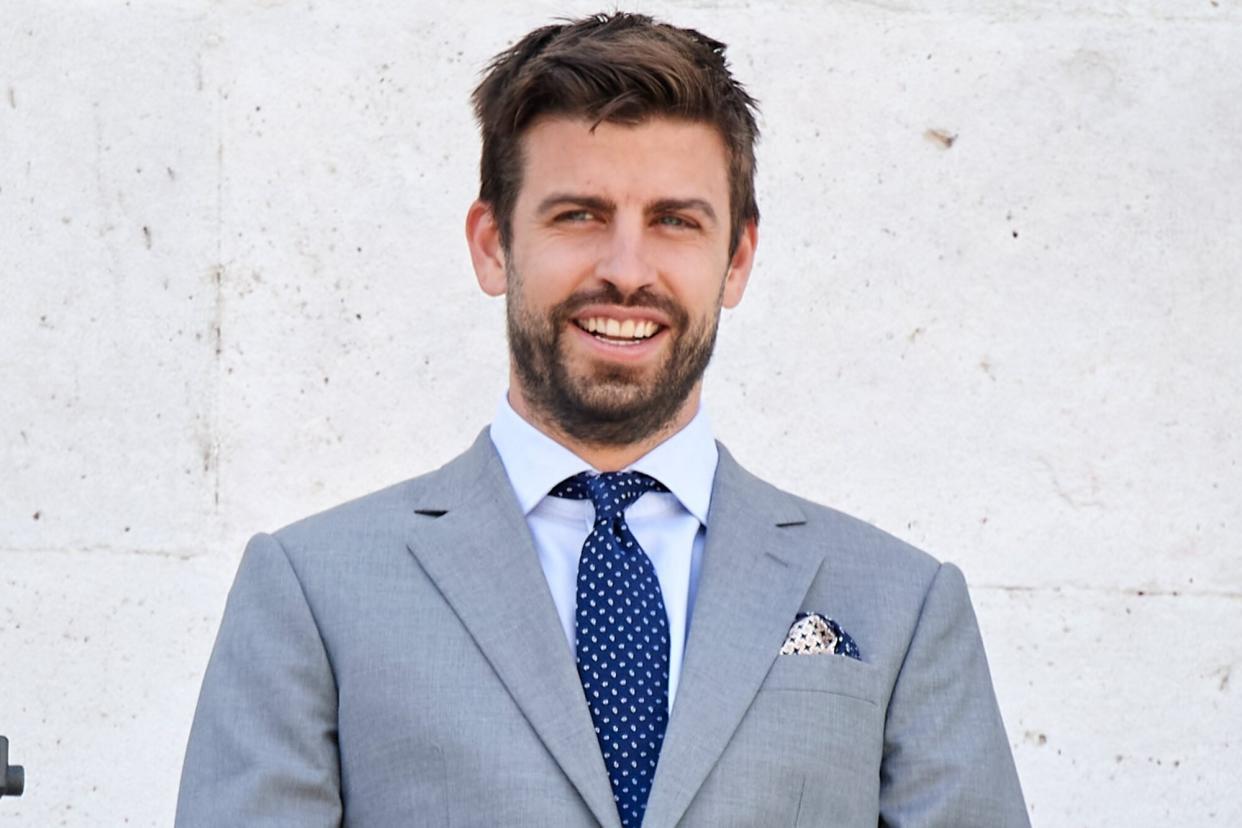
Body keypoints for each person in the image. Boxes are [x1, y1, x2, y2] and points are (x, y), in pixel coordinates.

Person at [176, 12, 1029, 827]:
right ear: (492, 245)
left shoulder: (902, 604)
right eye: (578, 215)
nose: (626, 271)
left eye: (675, 222)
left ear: (737, 259)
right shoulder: (312, 592)